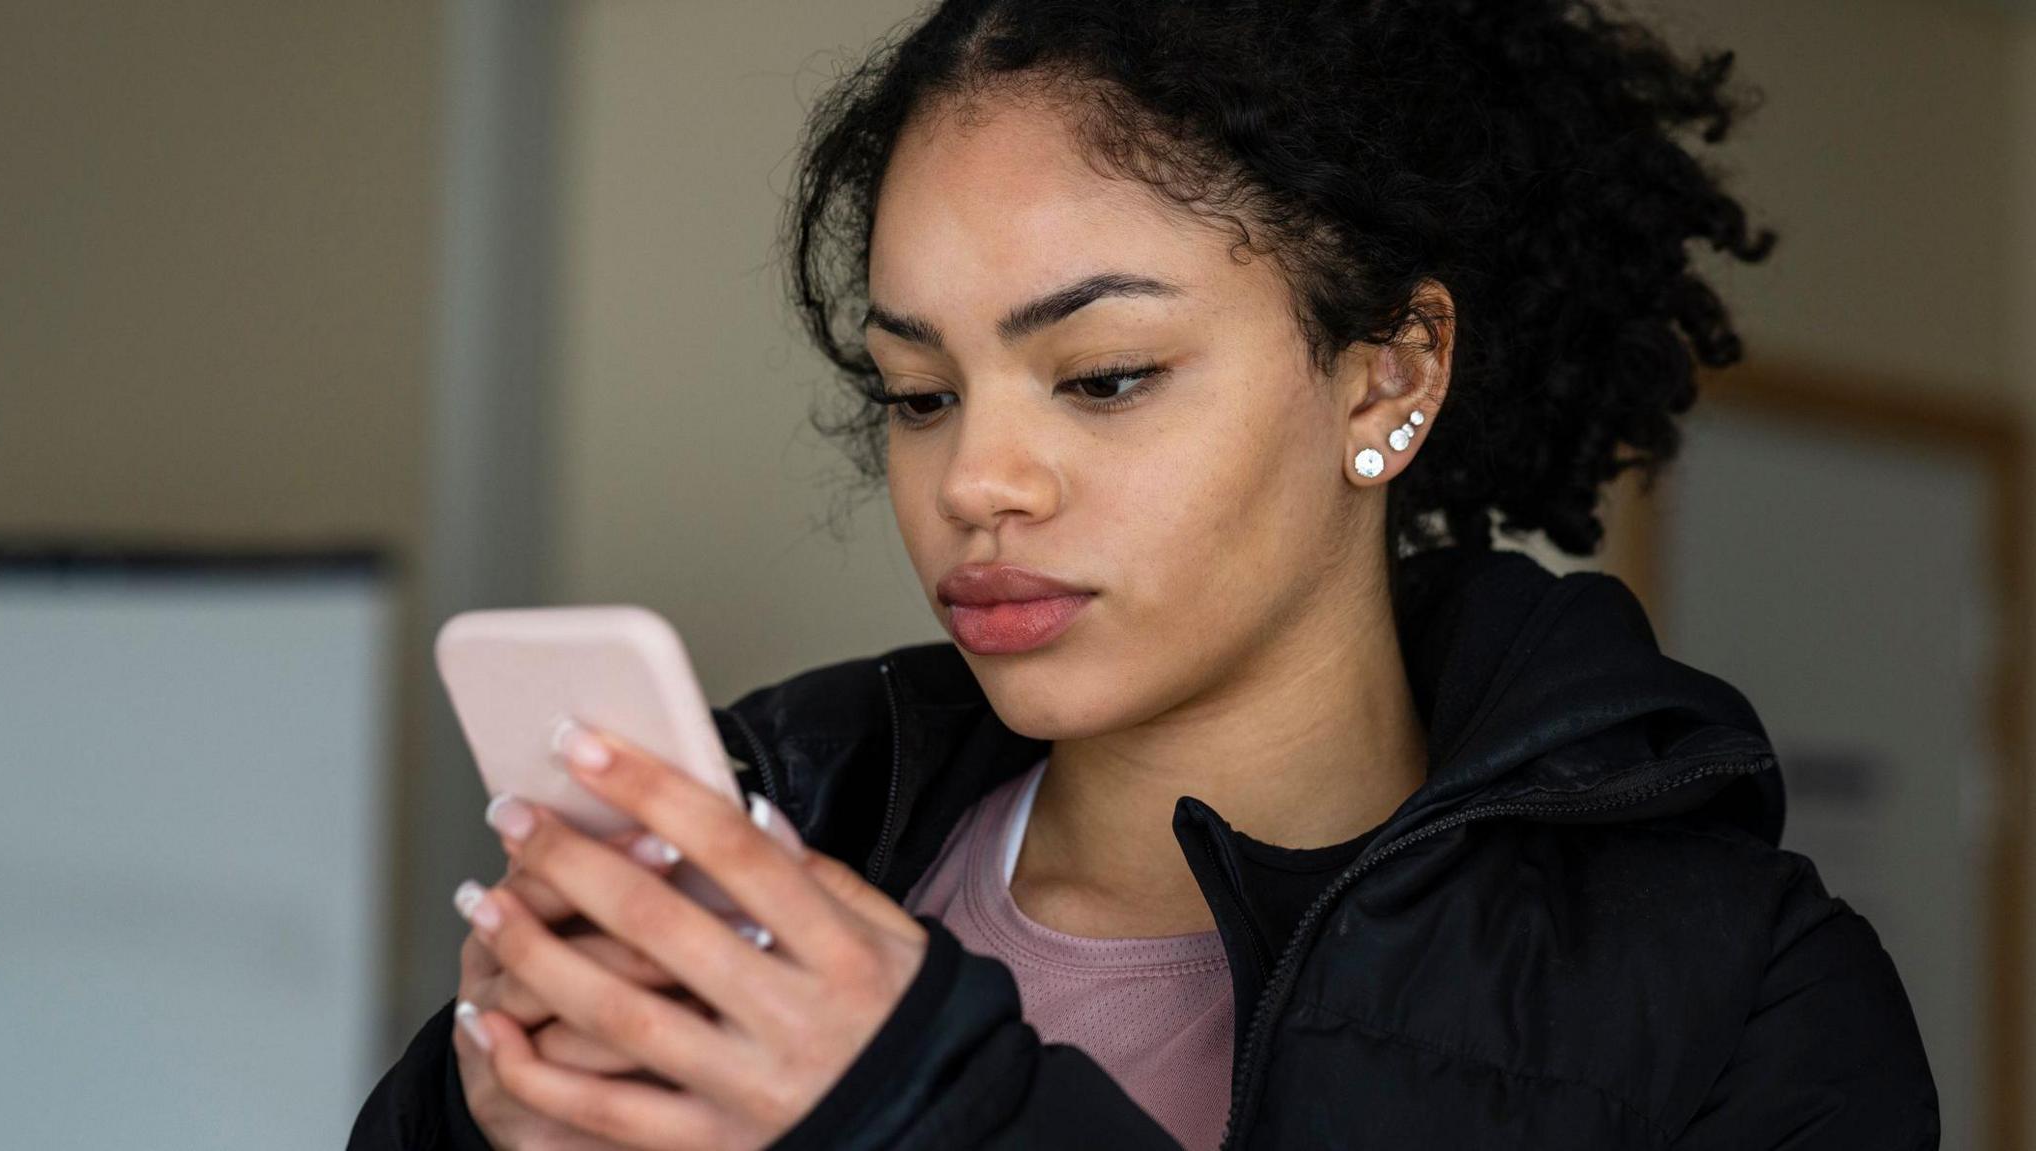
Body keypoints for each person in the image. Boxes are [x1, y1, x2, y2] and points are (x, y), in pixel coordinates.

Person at [350, 0, 1941, 1147]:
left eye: (1104, 375)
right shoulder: (790, 846)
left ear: (1386, 377)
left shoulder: (1747, 998)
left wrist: (930, 1115)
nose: (975, 479)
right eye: (917, 393)